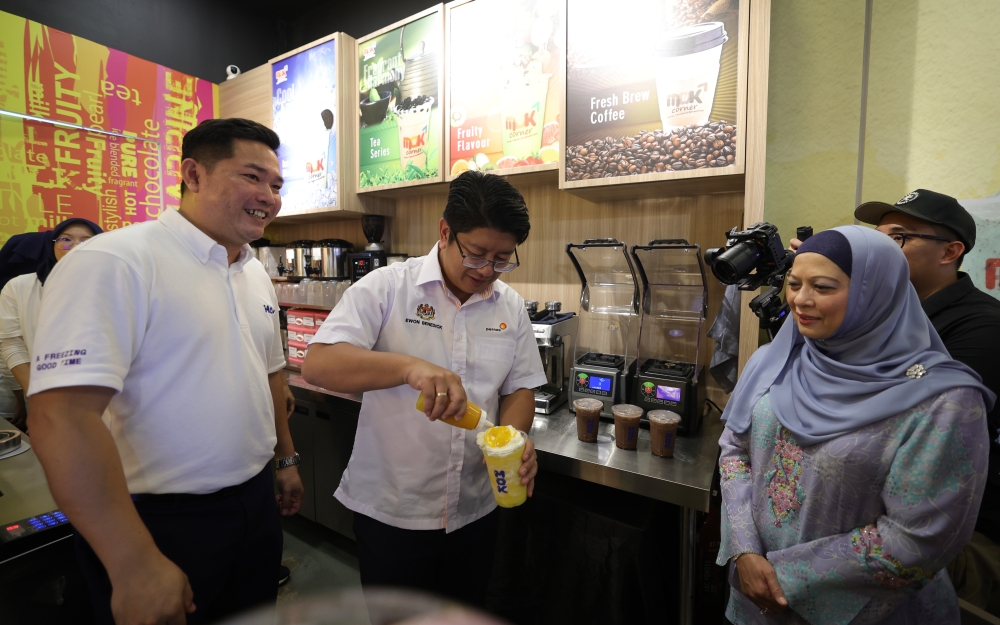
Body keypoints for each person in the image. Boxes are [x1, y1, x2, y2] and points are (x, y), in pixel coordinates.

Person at [27, 118, 303, 625]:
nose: (268, 195)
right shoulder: (115, 260)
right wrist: (132, 563)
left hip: (253, 504)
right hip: (158, 519)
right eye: (252, 177)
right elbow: (61, 417)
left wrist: (284, 461)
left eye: (276, 184)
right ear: (193, 175)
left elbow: (270, 377)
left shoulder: (253, 270)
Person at [718, 226, 993, 624]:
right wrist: (744, 551)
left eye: (823, 287)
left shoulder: (944, 400)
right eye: (793, 283)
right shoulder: (775, 359)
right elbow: (734, 450)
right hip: (754, 597)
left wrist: (781, 577)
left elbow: (920, 536)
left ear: (875, 291)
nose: (800, 300)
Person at [302, 170, 546, 608]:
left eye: (503, 258)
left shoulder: (508, 304)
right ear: (445, 232)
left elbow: (520, 387)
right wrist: (407, 367)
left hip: (476, 507)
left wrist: (516, 437)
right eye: (476, 255)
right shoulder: (388, 288)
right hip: (395, 512)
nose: (488, 270)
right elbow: (319, 364)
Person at [0, 219, 102, 431]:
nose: (75, 247)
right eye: (66, 240)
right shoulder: (19, 287)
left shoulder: (116, 285)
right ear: (52, 245)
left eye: (86, 240)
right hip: (44, 397)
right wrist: (35, 396)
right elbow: (12, 345)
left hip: (105, 399)